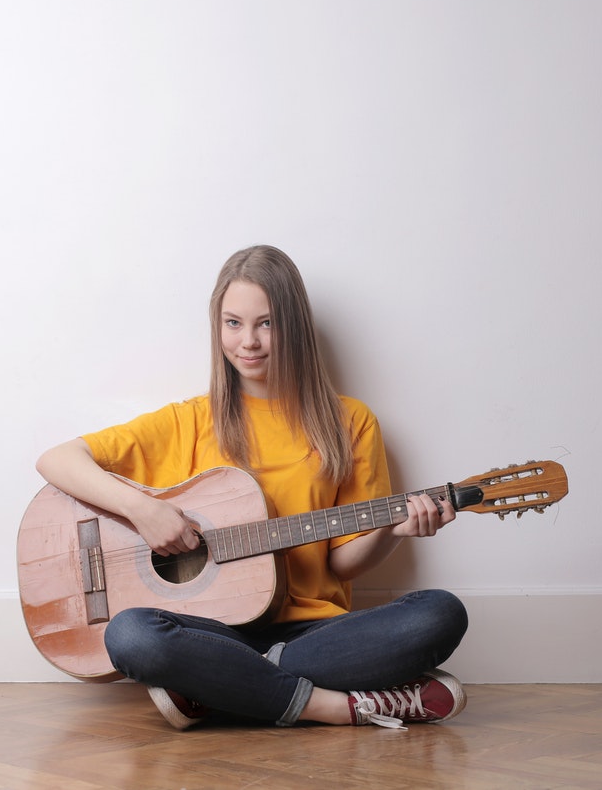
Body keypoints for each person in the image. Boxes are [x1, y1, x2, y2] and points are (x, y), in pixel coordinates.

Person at [35, 245, 468, 730]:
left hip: (315, 631)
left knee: (439, 613)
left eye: (267, 323)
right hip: (214, 633)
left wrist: (394, 529)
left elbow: (341, 562)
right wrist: (143, 511)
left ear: (295, 325)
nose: (249, 342)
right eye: (233, 323)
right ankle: (333, 707)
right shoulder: (190, 421)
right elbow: (57, 459)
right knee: (132, 635)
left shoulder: (350, 422)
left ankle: (216, 688)